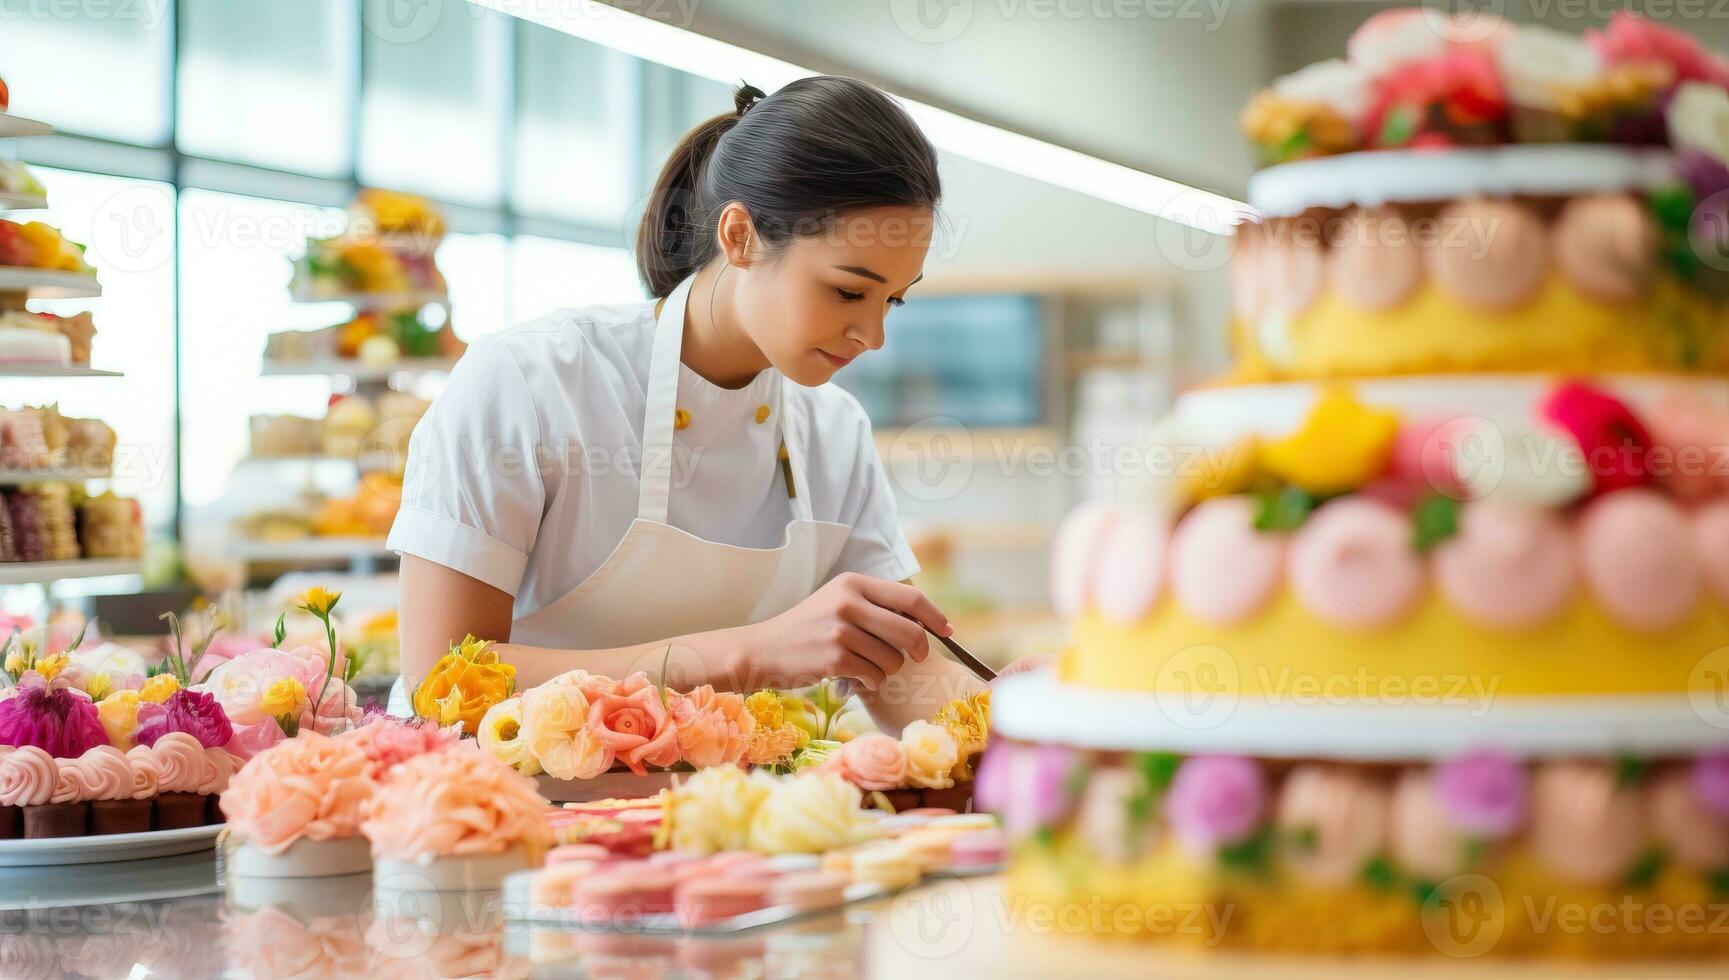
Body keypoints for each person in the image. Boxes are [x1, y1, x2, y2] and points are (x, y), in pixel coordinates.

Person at [387, 77, 981, 731]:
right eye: (847, 292)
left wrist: (1022, 712)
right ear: (740, 237)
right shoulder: (531, 382)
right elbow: (439, 681)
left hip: (723, 823)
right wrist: (746, 655)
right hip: (511, 814)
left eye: (890, 300)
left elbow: (906, 672)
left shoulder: (833, 431)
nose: (872, 337)